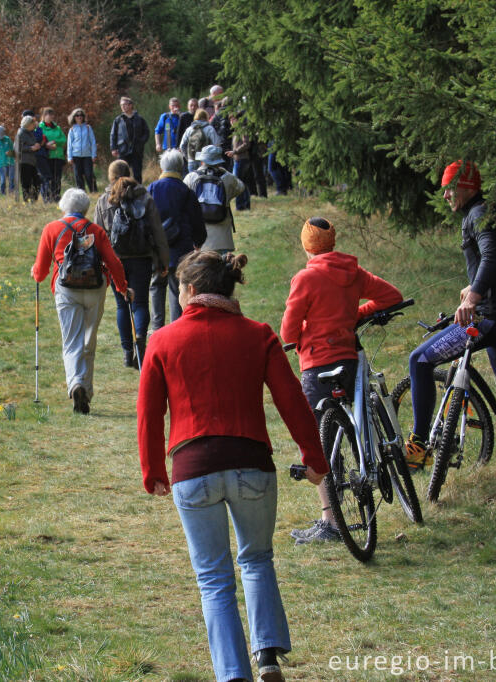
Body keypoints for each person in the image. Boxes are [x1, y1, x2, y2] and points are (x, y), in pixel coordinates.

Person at [137, 250, 329, 682]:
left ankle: (232, 673)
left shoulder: (162, 341)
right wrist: (313, 459)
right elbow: (293, 402)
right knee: (257, 559)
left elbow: (149, 412)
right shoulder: (258, 335)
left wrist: (153, 469)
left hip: (192, 467)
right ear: (227, 288)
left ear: (189, 291)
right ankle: (267, 658)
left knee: (213, 577)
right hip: (252, 465)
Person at [280, 217, 403, 545]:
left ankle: (330, 520)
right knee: (349, 420)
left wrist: (305, 332)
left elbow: (288, 332)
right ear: (332, 241)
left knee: (320, 439)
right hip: (348, 359)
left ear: (306, 247)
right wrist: (357, 315)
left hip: (317, 365)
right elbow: (391, 296)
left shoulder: (305, 278)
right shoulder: (352, 272)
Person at [404, 160, 496, 473]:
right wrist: (473, 284)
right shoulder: (489, 210)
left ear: (466, 187)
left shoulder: (477, 215)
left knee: (419, 360)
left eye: (449, 188)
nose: (445, 195)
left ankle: (418, 447)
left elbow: (492, 255)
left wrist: (474, 295)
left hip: (487, 320)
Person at [32, 188, 132, 414]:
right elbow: (114, 263)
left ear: (63, 206)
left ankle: (76, 383)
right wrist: (122, 287)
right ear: (85, 208)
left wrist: (36, 274)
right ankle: (86, 389)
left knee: (71, 342)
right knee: (89, 340)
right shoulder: (96, 230)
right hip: (95, 288)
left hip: (66, 290)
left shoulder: (52, 229)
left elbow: (40, 270)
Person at [94, 160, 169, 368]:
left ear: (110, 177)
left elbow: (98, 234)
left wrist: (100, 263)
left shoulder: (103, 201)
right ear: (130, 173)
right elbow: (157, 231)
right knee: (140, 303)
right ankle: (140, 344)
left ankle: (127, 352)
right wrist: (164, 260)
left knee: (122, 306)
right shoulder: (144, 197)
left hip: (114, 260)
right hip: (142, 257)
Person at [148, 149, 206, 330]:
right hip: (181, 251)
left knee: (156, 287)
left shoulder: (151, 189)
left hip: (157, 250)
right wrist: (198, 242)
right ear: (181, 168)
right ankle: (176, 329)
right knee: (178, 290)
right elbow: (197, 222)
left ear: (162, 167)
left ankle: (157, 329)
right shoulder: (186, 191)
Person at [184, 145, 245, 254]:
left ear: (202, 160)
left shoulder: (191, 177)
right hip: (222, 239)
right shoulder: (227, 177)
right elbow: (241, 187)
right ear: (219, 162)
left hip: (199, 239)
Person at [110, 96, 150, 184]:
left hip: (136, 150)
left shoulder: (139, 119)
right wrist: (113, 148)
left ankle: (138, 191)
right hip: (123, 150)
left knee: (137, 173)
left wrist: (141, 142)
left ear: (131, 105)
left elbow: (146, 133)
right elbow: (113, 135)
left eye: (125, 105)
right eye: (121, 105)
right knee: (122, 174)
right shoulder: (118, 120)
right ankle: (122, 191)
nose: (123, 107)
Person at [66, 108, 97, 192]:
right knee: (78, 175)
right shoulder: (72, 129)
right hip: (76, 156)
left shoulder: (88, 127)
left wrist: (94, 154)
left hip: (87, 155)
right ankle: (81, 193)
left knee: (89, 174)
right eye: (77, 115)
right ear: (74, 117)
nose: (79, 117)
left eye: (81, 115)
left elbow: (93, 142)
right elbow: (69, 144)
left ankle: (93, 191)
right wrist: (69, 157)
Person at [39, 107, 67, 201]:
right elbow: (38, 140)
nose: (51, 116)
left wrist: (55, 141)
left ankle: (56, 196)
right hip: (47, 156)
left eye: (52, 114)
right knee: (47, 178)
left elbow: (63, 140)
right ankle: (47, 197)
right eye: (48, 114)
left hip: (58, 155)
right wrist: (46, 145)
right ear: (44, 116)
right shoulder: (40, 127)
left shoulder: (57, 128)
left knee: (57, 178)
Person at [228, 113, 253, 211]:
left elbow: (246, 144)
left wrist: (235, 151)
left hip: (242, 159)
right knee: (242, 183)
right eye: (231, 120)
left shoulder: (242, 130)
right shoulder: (236, 131)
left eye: (234, 119)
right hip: (237, 159)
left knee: (238, 184)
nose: (232, 122)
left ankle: (241, 206)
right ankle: (245, 205)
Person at [14, 115, 42, 202]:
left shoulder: (31, 133)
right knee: (26, 183)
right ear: (28, 124)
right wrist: (31, 148)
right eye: (33, 123)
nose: (34, 125)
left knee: (37, 181)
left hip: (33, 161)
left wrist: (36, 146)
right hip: (24, 162)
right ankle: (27, 201)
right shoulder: (20, 133)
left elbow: (35, 141)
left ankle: (33, 200)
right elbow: (16, 148)